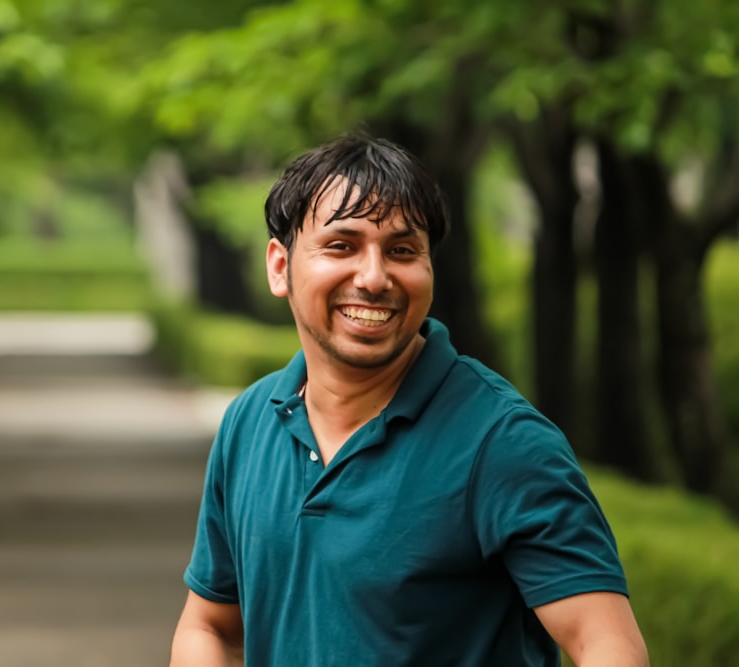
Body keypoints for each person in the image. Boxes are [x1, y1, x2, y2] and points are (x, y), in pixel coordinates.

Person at [169, 134, 649, 666]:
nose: (374, 278)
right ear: (280, 267)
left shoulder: (503, 442)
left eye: (401, 251)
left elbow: (605, 644)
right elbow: (210, 626)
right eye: (341, 246)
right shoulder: (250, 422)